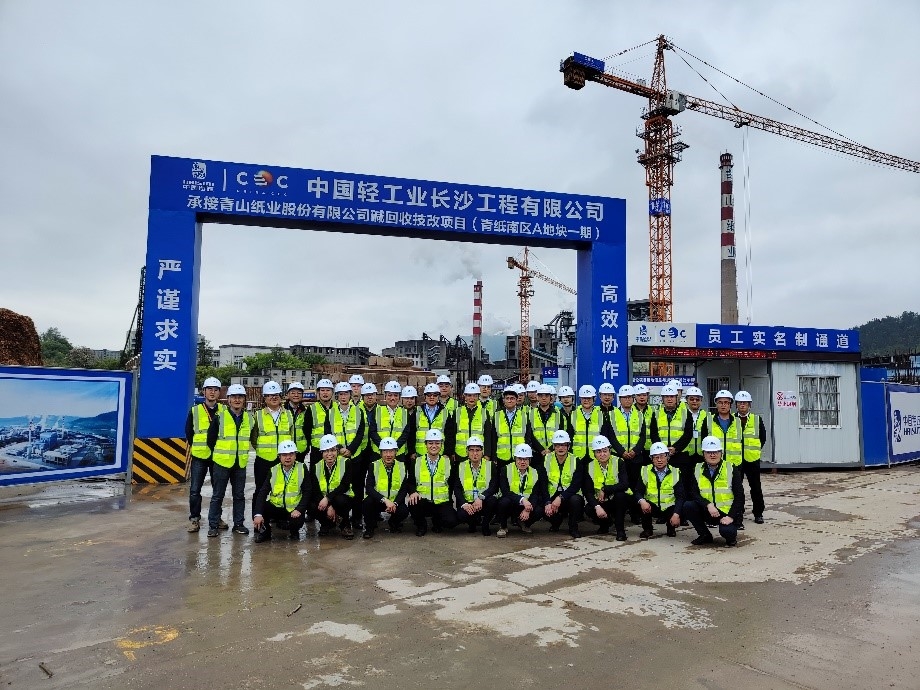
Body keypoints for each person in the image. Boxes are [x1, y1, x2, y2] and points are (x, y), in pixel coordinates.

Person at [204, 383, 252, 538]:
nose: (237, 400)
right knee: (218, 495)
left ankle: (238, 524)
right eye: (234, 397)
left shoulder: (249, 418)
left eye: (240, 397)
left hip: (240, 463)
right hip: (222, 463)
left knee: (239, 495)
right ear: (229, 400)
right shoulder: (220, 417)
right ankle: (213, 525)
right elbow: (210, 440)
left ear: (244, 400)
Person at [684, 435, 743, 547]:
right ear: (703, 454)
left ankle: (731, 537)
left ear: (721, 453)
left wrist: (731, 516)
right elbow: (693, 493)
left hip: (726, 512)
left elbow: (740, 496)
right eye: (709, 452)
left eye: (716, 452)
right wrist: (707, 504)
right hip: (708, 510)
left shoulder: (730, 468)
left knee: (727, 532)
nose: (713, 455)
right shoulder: (697, 468)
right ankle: (705, 535)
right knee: (688, 506)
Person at [186, 376, 224, 533]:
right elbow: (189, 433)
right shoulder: (195, 410)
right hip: (200, 456)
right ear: (204, 391)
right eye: (209, 389)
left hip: (218, 456)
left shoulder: (224, 411)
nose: (212, 392)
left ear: (219, 393)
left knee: (218, 490)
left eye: (215, 390)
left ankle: (217, 518)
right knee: (195, 490)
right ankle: (195, 519)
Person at [252, 440, 311, 542]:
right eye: (284, 455)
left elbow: (308, 491)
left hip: (293, 509)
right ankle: (265, 532)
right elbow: (263, 492)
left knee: (297, 520)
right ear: (279, 457)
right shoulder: (273, 470)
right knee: (262, 507)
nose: (288, 457)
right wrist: (258, 514)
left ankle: (294, 533)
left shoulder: (302, 468)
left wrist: (299, 509)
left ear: (295, 456)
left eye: (291, 454)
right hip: (277, 507)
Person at [329, 381, 366, 532]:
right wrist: (339, 449)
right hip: (338, 458)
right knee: (341, 488)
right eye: (340, 394)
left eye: (346, 394)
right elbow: (328, 433)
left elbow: (360, 433)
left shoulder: (358, 411)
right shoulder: (331, 413)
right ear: (337, 396)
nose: (343, 397)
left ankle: (357, 518)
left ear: (351, 395)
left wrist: (350, 449)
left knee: (357, 488)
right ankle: (343, 518)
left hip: (355, 456)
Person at [250, 381, 294, 507]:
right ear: (265, 398)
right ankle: (257, 515)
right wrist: (263, 450)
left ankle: (277, 515)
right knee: (260, 490)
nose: (274, 397)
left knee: (281, 489)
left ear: (280, 397)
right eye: (270, 395)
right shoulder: (258, 415)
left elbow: (291, 436)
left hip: (282, 460)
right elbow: (254, 438)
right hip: (263, 460)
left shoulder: (288, 414)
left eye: (276, 395)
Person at [406, 428, 458, 536]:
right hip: (423, 502)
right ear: (425, 444)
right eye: (430, 443)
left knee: (451, 522)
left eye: (437, 443)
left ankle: (437, 521)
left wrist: (449, 502)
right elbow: (410, 482)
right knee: (413, 503)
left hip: (441, 502)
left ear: (441, 444)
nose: (434, 446)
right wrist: (413, 492)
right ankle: (421, 525)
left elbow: (452, 484)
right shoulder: (416, 462)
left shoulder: (448, 462)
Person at [582, 435, 632, 540]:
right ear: (594, 454)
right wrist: (597, 506)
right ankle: (605, 524)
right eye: (598, 452)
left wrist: (605, 489)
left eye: (605, 451)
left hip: (617, 499)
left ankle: (620, 530)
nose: (602, 454)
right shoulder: (589, 466)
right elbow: (588, 492)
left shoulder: (619, 462)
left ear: (610, 450)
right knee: (589, 509)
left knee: (620, 496)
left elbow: (624, 484)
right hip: (601, 501)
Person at [362, 437, 410, 539]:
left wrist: (395, 503)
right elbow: (369, 488)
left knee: (404, 511)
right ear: (380, 453)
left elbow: (403, 490)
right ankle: (369, 528)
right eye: (385, 451)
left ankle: (393, 522)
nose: (388, 455)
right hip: (378, 501)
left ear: (396, 452)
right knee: (367, 502)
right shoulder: (373, 466)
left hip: (394, 503)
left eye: (391, 451)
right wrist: (384, 500)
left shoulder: (402, 466)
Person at [309, 434, 356, 539]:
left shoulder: (346, 463)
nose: (329, 454)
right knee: (311, 505)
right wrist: (328, 505)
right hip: (324, 500)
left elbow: (344, 486)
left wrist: (328, 499)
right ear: (321, 453)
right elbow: (315, 490)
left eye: (332, 450)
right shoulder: (316, 467)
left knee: (340, 500)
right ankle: (326, 523)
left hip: (342, 497)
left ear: (337, 451)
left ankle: (345, 525)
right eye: (326, 451)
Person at [635, 441, 686, 539]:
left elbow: (680, 496)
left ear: (668, 457)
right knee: (639, 503)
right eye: (656, 457)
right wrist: (642, 501)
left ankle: (671, 527)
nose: (659, 460)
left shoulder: (675, 472)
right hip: (651, 506)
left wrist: (676, 514)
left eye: (662, 456)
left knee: (683, 505)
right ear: (651, 459)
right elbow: (638, 491)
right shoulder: (645, 470)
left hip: (669, 506)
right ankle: (647, 529)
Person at [542, 430, 586, 539]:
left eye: (563, 445)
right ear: (553, 446)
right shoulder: (546, 459)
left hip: (569, 495)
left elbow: (576, 485)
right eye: (557, 445)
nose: (560, 448)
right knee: (540, 505)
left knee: (576, 500)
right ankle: (556, 522)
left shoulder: (576, 461)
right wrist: (547, 501)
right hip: (552, 494)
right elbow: (543, 483)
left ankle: (573, 527)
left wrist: (560, 497)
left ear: (568, 446)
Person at [495, 443, 545, 537]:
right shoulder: (506, 469)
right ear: (515, 458)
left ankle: (524, 523)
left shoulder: (535, 472)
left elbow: (535, 494)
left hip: (525, 505)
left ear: (530, 460)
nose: (522, 462)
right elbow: (505, 491)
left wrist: (528, 509)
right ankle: (503, 527)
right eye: (520, 459)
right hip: (511, 503)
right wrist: (522, 500)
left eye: (525, 459)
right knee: (503, 502)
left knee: (539, 510)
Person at [453, 435, 500, 535]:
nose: (475, 453)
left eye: (478, 450)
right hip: (469, 502)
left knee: (493, 501)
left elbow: (494, 486)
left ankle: (485, 525)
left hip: (484, 501)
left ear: (482, 452)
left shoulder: (490, 465)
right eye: (471, 450)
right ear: (467, 452)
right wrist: (464, 504)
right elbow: (457, 488)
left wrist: (481, 498)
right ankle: (472, 523)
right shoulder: (461, 466)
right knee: (461, 515)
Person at [734, 390, 768, 526]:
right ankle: (738, 512)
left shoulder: (756, 419)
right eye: (740, 403)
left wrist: (754, 450)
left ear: (750, 405)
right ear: (736, 405)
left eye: (745, 403)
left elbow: (762, 438)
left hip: (752, 459)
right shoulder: (731, 419)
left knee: (755, 487)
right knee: (737, 487)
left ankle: (758, 513)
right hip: (736, 458)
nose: (742, 405)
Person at [649, 384, 693, 484]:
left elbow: (688, 434)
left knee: (682, 483)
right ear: (662, 399)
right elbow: (653, 434)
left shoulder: (686, 413)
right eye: (666, 397)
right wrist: (662, 450)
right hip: (661, 456)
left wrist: (675, 448)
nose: (669, 399)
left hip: (680, 455)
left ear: (677, 398)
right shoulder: (656, 413)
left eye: (672, 396)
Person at [409, 382, 456, 460]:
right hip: (419, 454)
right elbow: (411, 433)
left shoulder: (445, 412)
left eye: (435, 395)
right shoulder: (417, 411)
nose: (432, 397)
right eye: (429, 395)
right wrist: (412, 451)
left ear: (438, 396)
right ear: (425, 397)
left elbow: (450, 435)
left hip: (440, 455)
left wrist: (447, 453)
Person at [368, 381, 411, 460]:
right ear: (385, 396)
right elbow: (372, 432)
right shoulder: (377, 411)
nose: (392, 398)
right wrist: (383, 447)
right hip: (379, 453)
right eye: (390, 395)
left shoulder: (405, 412)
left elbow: (406, 433)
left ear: (399, 397)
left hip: (398, 453)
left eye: (396, 395)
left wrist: (394, 448)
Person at [453, 382, 492, 466]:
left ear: (478, 397)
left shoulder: (484, 412)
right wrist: (452, 452)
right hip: (460, 454)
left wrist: (487, 454)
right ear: (465, 396)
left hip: (478, 454)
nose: (472, 398)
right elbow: (452, 434)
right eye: (469, 395)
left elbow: (488, 435)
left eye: (475, 395)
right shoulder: (457, 412)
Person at [526, 383, 569, 460]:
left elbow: (562, 432)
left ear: (550, 397)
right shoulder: (530, 414)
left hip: (554, 453)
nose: (544, 398)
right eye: (541, 396)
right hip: (536, 454)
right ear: (537, 397)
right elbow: (529, 435)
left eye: (546, 395)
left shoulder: (559, 414)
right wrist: (541, 449)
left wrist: (550, 449)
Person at [571, 385, 612, 463]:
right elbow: (570, 435)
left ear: (594, 399)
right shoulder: (573, 414)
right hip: (577, 456)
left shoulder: (601, 414)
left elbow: (605, 435)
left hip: (596, 456)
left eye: (589, 398)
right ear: (580, 399)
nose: (586, 401)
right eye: (584, 398)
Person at [490, 387, 527, 467]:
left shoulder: (524, 416)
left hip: (520, 456)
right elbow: (493, 438)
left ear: (516, 400)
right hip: (501, 457)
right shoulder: (497, 415)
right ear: (503, 400)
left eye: (512, 398)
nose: (509, 401)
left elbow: (528, 437)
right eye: (507, 398)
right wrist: (493, 457)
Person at [304, 378, 335, 467]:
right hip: (317, 449)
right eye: (322, 390)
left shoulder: (337, 407)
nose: (325, 393)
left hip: (334, 449)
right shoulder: (312, 409)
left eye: (328, 390)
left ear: (332, 392)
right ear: (318, 392)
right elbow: (307, 430)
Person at [683, 386, 710, 482]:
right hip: (686, 454)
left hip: (701, 454)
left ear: (701, 401)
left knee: (700, 480)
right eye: (691, 399)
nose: (694, 401)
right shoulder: (682, 415)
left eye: (697, 399)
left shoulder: (707, 415)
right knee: (686, 480)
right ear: (687, 400)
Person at [284, 382, 310, 465]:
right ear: (288, 394)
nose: (296, 395)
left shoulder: (306, 411)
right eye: (293, 393)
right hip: (285, 451)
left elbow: (308, 431)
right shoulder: (282, 410)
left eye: (299, 393)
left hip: (301, 451)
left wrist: (306, 448)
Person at [632, 383, 655, 463]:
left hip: (649, 449)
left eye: (644, 395)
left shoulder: (653, 411)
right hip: (634, 450)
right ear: (634, 397)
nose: (642, 397)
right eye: (639, 395)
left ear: (648, 396)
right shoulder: (630, 411)